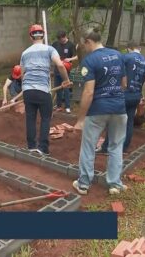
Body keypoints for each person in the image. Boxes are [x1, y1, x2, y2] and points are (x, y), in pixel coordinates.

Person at [73, 27, 127, 195]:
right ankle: (114, 184)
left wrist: (81, 119)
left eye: (84, 45)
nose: (84, 48)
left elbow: (88, 92)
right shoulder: (118, 55)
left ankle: (83, 183)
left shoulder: (89, 61)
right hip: (119, 108)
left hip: (98, 110)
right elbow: (124, 84)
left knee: (88, 146)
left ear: (89, 41)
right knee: (116, 146)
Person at [14, 24, 71, 155]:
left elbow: (23, 74)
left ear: (30, 36)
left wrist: (26, 87)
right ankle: (43, 148)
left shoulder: (25, 53)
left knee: (30, 118)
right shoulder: (50, 49)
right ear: (43, 35)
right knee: (46, 118)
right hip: (42, 90)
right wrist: (66, 80)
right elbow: (60, 66)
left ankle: (31, 146)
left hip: (28, 90)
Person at [97, 40, 145, 154]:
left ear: (128, 48)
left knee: (113, 120)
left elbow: (115, 71)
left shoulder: (125, 57)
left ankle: (106, 147)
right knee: (129, 121)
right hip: (136, 96)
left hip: (121, 94)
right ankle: (124, 148)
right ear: (140, 49)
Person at [52, 30, 78, 113]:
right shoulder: (55, 44)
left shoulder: (71, 45)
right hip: (57, 69)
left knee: (66, 88)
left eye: (62, 39)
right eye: (59, 40)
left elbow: (77, 56)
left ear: (65, 36)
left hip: (66, 69)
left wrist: (69, 59)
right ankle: (58, 106)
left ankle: (67, 106)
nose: (61, 41)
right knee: (58, 88)